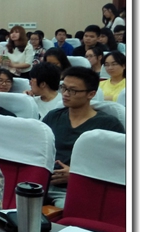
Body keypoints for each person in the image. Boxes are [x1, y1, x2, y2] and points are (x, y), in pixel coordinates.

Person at [42, 67, 125, 208]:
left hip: (76, 187)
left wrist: (78, 174)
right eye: (64, 88)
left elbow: (116, 166)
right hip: (43, 181)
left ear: (91, 94)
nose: (65, 94)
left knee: (65, 208)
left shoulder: (108, 124)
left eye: (73, 90)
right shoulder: (53, 116)